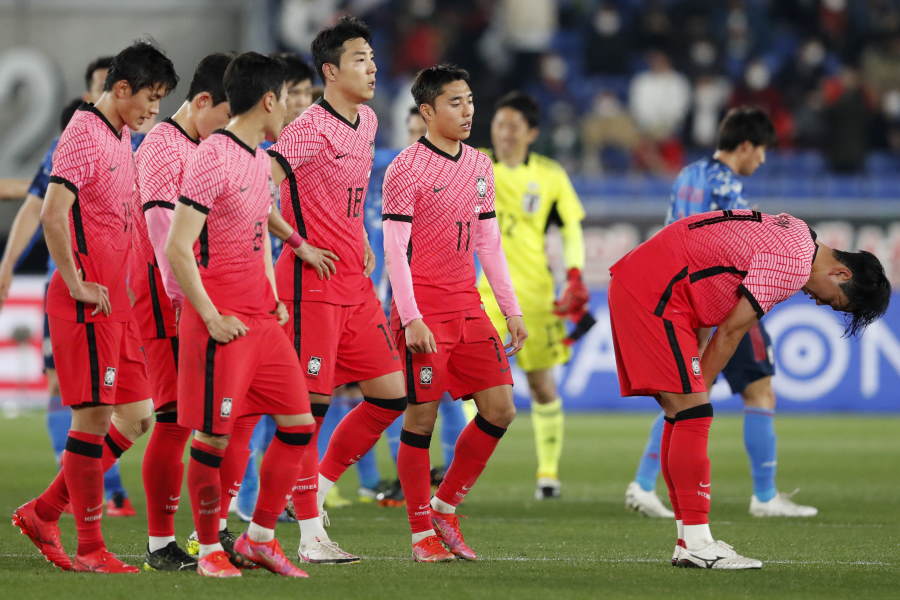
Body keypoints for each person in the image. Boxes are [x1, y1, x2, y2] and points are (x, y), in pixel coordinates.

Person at [608, 209, 890, 569]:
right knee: (692, 414)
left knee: (682, 414)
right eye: (833, 300)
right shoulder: (793, 265)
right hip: (657, 290)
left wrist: (696, 386)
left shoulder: (799, 233)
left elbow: (711, 277)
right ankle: (697, 542)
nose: (819, 303)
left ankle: (687, 541)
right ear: (840, 273)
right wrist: (701, 390)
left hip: (653, 279)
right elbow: (731, 331)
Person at [11, 41, 178, 573]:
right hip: (87, 303)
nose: (156, 111)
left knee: (137, 416)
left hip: (117, 304)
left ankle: (44, 511)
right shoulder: (82, 132)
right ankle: (89, 546)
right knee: (92, 419)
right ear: (121, 89)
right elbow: (52, 214)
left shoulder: (123, 135)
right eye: (151, 99)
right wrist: (77, 281)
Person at [626, 107, 818, 519]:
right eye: (761, 151)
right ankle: (764, 497)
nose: (762, 160)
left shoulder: (688, 174)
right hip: (720, 301)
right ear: (745, 145)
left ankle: (643, 483)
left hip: (677, 292)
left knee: (687, 396)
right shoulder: (727, 187)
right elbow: (737, 250)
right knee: (759, 389)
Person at [165, 51, 315, 579]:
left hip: (261, 319)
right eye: (290, 98)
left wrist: (273, 293)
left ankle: (259, 539)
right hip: (221, 321)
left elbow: (254, 235)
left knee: (299, 426)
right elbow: (178, 247)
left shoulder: (257, 158)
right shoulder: (212, 155)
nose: (294, 109)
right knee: (213, 438)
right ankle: (208, 551)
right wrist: (208, 316)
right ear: (269, 99)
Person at [267, 16, 407, 564]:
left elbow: (349, 193)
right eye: (358, 59)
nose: (372, 68)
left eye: (372, 58)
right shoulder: (305, 129)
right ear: (330, 70)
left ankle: (318, 488)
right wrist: (298, 244)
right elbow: (260, 186)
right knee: (310, 413)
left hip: (354, 280)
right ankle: (309, 535)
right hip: (310, 287)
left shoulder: (367, 121)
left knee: (390, 395)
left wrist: (359, 239)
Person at [383, 64, 527, 562]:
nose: (467, 111)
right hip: (424, 307)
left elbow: (489, 242)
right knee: (420, 418)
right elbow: (394, 251)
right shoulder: (406, 167)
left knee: (501, 408)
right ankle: (421, 533)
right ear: (427, 111)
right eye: (454, 102)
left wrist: (510, 309)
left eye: (469, 101)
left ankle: (445, 507)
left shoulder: (480, 165)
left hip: (468, 305)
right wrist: (410, 316)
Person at [0, 57, 138, 516]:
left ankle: (83, 488)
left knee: (126, 406)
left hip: (118, 288)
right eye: (102, 87)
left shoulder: (127, 144)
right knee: (73, 391)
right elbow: (38, 204)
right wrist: (8, 264)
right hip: (72, 282)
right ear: (90, 95)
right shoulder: (72, 143)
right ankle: (93, 488)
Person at [133, 52, 234, 571]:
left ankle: (209, 532)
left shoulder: (202, 146)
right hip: (164, 294)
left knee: (210, 417)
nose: (230, 128)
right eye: (226, 115)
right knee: (174, 419)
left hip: (197, 293)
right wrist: (192, 307)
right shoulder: (161, 151)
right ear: (200, 103)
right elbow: (160, 240)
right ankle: (159, 544)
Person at [478, 91, 588, 500]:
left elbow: (571, 228)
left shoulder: (550, 175)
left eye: (513, 126)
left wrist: (574, 274)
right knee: (475, 383)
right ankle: (462, 467)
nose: (504, 133)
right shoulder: (475, 165)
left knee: (542, 386)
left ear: (532, 133)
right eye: (499, 124)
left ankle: (547, 474)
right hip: (484, 293)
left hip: (537, 297)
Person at [235, 51, 317, 522]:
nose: (300, 105)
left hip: (281, 284)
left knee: (292, 401)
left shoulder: (311, 146)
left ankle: (271, 500)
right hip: (261, 288)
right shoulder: (258, 156)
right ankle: (240, 503)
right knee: (251, 403)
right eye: (293, 96)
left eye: (307, 96)